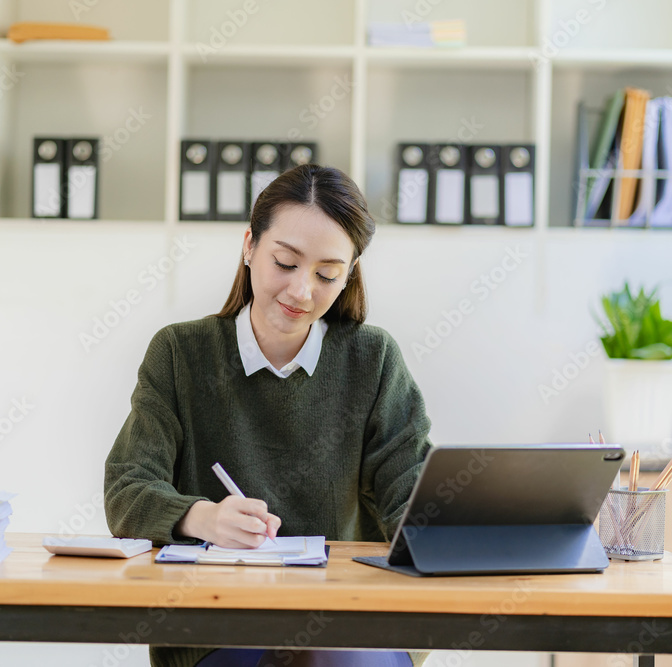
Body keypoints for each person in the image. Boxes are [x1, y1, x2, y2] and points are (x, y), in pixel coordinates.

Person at [104, 164, 434, 667]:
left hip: (347, 620)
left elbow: (409, 488)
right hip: (217, 625)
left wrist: (450, 525)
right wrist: (204, 518)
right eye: (285, 262)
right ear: (250, 247)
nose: (302, 292)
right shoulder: (180, 353)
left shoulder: (373, 359)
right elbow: (127, 490)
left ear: (348, 276)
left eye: (327, 274)